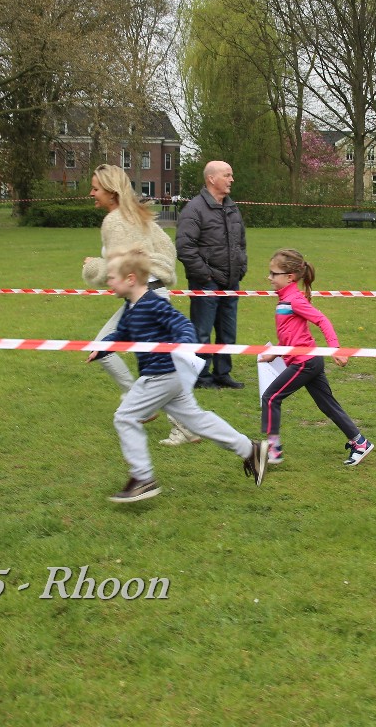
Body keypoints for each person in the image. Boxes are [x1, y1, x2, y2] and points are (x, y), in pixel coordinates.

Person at [91, 249, 268, 503]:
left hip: (161, 374)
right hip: (169, 377)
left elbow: (182, 325)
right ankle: (250, 449)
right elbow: (123, 333)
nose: (108, 282)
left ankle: (142, 478)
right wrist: (102, 348)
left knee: (125, 417)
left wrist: (183, 342)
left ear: (130, 279)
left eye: (111, 277)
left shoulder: (153, 303)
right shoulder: (131, 307)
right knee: (196, 421)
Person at [81, 164, 200, 447]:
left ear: (111, 191)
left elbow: (119, 268)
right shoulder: (137, 215)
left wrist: (93, 266)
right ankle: (177, 422)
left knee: (107, 350)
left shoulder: (114, 221)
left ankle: (149, 407)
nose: (91, 194)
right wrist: (156, 268)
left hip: (145, 299)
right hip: (153, 294)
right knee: (157, 366)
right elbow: (167, 248)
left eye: (95, 189)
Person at [258, 249, 373, 467]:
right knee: (327, 404)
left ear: (289, 277)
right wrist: (276, 352)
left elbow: (322, 320)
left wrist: (335, 349)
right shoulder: (284, 300)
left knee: (271, 397)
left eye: (273, 273)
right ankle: (360, 443)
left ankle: (273, 449)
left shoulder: (294, 300)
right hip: (309, 360)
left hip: (305, 362)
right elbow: (291, 335)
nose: (269, 277)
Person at [176, 160, 247, 390]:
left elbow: (241, 243)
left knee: (228, 331)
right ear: (211, 179)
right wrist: (206, 276)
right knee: (202, 332)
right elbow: (185, 248)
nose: (231, 179)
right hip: (206, 283)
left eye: (231, 175)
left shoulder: (232, 208)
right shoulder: (194, 209)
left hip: (231, 281)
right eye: (227, 175)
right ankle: (201, 376)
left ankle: (223, 373)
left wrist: (240, 268)